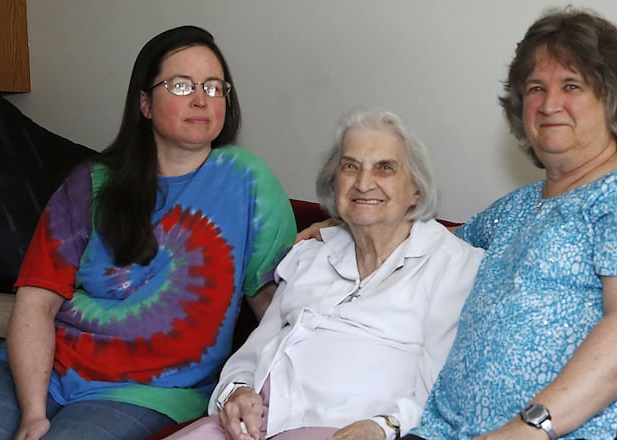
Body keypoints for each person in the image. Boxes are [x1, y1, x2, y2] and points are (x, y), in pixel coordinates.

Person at [299, 7, 617, 440]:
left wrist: (529, 428)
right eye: (535, 88)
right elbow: (424, 244)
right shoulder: (515, 209)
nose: (550, 103)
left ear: (611, 99)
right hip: (450, 430)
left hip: (591, 430)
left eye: (571, 85)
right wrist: (349, 220)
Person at [0, 25, 296, 440]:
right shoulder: (90, 184)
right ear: (145, 103)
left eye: (214, 86)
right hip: (38, 365)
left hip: (148, 392)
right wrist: (32, 412)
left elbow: (275, 305)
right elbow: (37, 301)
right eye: (181, 84)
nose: (201, 98)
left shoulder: (248, 180)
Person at [163, 109, 484, 440]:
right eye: (350, 166)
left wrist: (384, 427)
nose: (363, 182)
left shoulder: (452, 266)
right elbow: (251, 354)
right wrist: (236, 392)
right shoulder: (311, 254)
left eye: (385, 168)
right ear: (334, 182)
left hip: (342, 430)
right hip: (250, 426)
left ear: (415, 190)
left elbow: (444, 389)